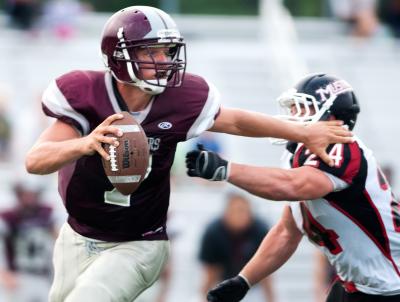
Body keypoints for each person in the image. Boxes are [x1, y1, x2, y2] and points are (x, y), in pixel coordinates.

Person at [25, 5, 352, 302]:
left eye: (167, 51)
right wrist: (84, 143)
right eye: (152, 52)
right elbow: (35, 160)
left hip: (138, 242)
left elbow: (236, 121)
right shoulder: (85, 94)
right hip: (77, 236)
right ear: (119, 56)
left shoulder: (183, 98)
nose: (165, 61)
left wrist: (303, 132)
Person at [186, 73, 400, 302]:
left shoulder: (342, 148)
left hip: (390, 287)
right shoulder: (299, 158)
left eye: (302, 108)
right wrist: (244, 280)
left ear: (332, 117)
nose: (293, 117)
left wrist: (226, 169)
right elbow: (287, 232)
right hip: (357, 285)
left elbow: (292, 185)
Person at [199, 193, 275, 302]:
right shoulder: (213, 232)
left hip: (252, 286)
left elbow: (266, 272)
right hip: (222, 284)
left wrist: (271, 299)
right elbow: (211, 273)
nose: (239, 215)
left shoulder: (260, 230)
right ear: (226, 213)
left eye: (243, 211)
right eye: (235, 211)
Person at [0, 179, 57, 302]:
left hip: (44, 275)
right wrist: (3, 272)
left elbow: (59, 240)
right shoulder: (9, 217)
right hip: (19, 276)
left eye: (32, 194)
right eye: (25, 194)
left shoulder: (48, 215)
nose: (29, 199)